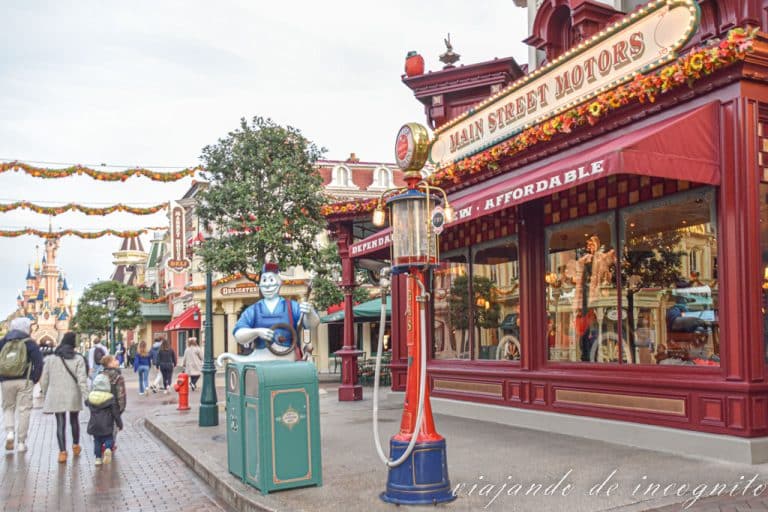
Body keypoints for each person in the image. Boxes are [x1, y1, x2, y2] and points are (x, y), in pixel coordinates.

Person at [221, 263, 319, 364]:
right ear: (260, 284)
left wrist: (309, 312)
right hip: (261, 359)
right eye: (264, 280)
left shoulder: (292, 306)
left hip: (287, 359)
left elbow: (311, 325)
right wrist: (256, 332)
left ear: (279, 282)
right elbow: (238, 335)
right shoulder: (253, 310)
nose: (268, 285)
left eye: (271, 280)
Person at [39, 331, 88, 463]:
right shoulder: (78, 359)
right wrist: (86, 396)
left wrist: (44, 393)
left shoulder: (50, 359)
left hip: (56, 394)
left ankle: (62, 452)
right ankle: (76, 446)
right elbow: (82, 380)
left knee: (60, 423)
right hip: (73, 394)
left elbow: (44, 379)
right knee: (74, 420)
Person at [0, 317, 44, 453]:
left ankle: (9, 433)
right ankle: (21, 442)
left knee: (8, 407)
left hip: (6, 380)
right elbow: (39, 362)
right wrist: (34, 379)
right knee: (24, 410)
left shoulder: (3, 342)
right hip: (25, 380)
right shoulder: (30, 343)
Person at [85, 373, 123, 466]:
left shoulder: (91, 397)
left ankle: (98, 459)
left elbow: (86, 403)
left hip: (94, 424)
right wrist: (119, 423)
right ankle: (108, 449)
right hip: (107, 424)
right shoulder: (110, 398)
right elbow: (115, 413)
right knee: (109, 439)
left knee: (97, 441)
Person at [100, 355, 126, 450]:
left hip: (103, 404)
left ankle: (103, 443)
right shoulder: (118, 377)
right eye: (115, 360)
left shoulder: (100, 375)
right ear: (110, 363)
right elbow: (121, 394)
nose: (117, 361)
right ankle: (110, 445)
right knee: (114, 426)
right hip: (114, 406)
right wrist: (121, 408)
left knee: (104, 425)